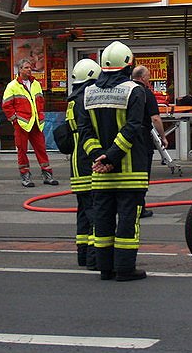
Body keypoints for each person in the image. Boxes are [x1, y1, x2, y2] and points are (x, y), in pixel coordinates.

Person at [78, 40, 150, 282]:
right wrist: (112, 156)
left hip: (100, 172)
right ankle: (125, 269)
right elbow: (133, 127)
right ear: (128, 65)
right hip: (130, 172)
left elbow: (84, 131)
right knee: (128, 222)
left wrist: (99, 157)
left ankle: (105, 268)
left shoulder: (88, 92)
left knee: (103, 222)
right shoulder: (135, 91)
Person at [67, 58, 100, 268]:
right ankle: (94, 258)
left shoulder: (72, 100)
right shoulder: (86, 99)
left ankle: (82, 254)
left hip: (76, 164)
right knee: (95, 212)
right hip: (88, 162)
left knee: (83, 212)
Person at [3, 59, 56, 187]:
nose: (29, 69)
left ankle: (47, 174)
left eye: (30, 67)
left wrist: (40, 114)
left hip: (36, 123)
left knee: (41, 149)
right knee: (22, 150)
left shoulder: (36, 84)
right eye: (26, 67)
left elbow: (40, 101)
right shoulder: (12, 86)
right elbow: (6, 105)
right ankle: (25, 175)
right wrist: (14, 120)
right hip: (22, 124)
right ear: (20, 70)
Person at [132, 65, 166, 218]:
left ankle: (128, 206)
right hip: (142, 138)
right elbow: (155, 118)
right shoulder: (146, 93)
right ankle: (140, 207)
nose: (150, 79)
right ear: (143, 78)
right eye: (148, 77)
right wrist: (163, 137)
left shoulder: (126, 91)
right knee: (143, 173)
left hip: (126, 137)